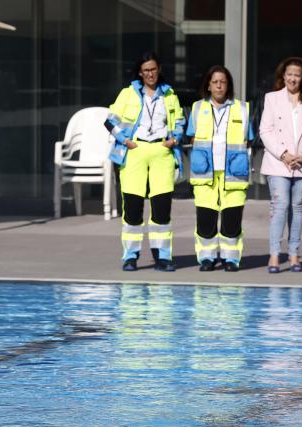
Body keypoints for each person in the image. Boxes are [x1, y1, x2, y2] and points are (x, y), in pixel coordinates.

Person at [105, 51, 186, 272]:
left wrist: (174, 140)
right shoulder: (128, 93)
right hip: (135, 151)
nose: (150, 73)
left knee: (161, 209)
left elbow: (180, 121)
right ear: (140, 72)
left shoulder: (169, 94)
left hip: (161, 152)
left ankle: (163, 257)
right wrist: (126, 140)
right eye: (146, 70)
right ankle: (130, 256)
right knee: (132, 208)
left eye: (153, 69)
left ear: (159, 69)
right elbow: (110, 120)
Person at [259, 56, 302, 273]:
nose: (292, 79)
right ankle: (275, 255)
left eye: (297, 75)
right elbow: (265, 130)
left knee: (297, 207)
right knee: (280, 205)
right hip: (279, 163)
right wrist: (284, 154)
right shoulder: (272, 98)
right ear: (283, 76)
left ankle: (294, 254)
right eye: (289, 74)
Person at [185, 65, 253, 272]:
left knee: (232, 219)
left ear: (228, 85)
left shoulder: (242, 108)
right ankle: (207, 258)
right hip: (205, 173)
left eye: (223, 81)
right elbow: (192, 137)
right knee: (206, 218)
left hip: (234, 173)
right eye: (215, 81)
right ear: (208, 84)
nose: (219, 85)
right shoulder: (197, 108)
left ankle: (230, 259)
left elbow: (248, 140)